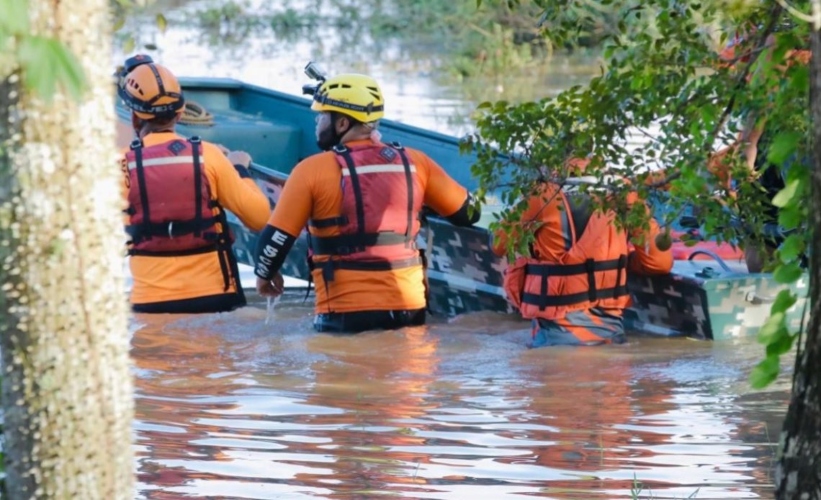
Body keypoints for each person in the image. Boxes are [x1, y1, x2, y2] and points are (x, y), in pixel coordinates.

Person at [253, 71, 480, 333]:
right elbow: (469, 214)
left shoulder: (310, 170)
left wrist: (263, 277)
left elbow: (275, 240)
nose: (316, 122)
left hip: (342, 315)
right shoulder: (416, 163)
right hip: (409, 312)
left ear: (342, 124)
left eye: (322, 116)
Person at [117, 55, 271, 313]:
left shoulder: (119, 165)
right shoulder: (208, 155)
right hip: (217, 300)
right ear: (179, 113)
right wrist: (239, 168)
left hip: (150, 305)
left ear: (134, 118)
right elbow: (260, 219)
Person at [493, 158, 673, 347]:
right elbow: (659, 262)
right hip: (611, 335)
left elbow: (498, 246)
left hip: (556, 338)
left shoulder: (542, 195)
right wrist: (618, 263)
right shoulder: (625, 193)